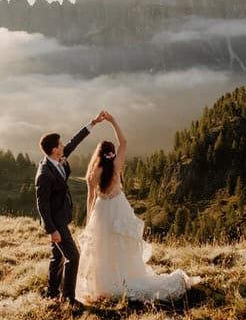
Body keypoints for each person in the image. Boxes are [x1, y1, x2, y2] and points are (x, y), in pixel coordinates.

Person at [76, 111, 200, 302]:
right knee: (122, 245)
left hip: (101, 211)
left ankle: (105, 283)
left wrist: (89, 221)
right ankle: (125, 277)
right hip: (118, 207)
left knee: (103, 248)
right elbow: (124, 142)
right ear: (111, 153)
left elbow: (90, 198)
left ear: (98, 154)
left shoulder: (93, 172)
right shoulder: (116, 166)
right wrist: (112, 121)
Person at [35, 112, 105, 306]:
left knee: (57, 255)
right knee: (73, 257)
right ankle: (68, 298)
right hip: (56, 221)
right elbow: (42, 203)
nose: (64, 145)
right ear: (54, 149)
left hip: (62, 215)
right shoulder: (44, 174)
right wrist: (52, 230)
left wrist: (92, 124)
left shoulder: (58, 158)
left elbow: (74, 142)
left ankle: (51, 293)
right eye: (60, 144)